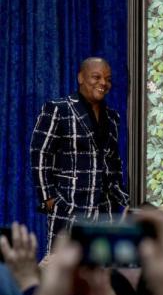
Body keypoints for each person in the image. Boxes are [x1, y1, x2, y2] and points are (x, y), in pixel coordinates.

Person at [31, 57, 129, 251]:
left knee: (102, 273)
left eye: (108, 79)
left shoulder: (113, 117)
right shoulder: (58, 108)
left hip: (104, 211)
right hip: (68, 207)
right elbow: (40, 153)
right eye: (96, 77)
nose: (103, 83)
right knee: (63, 271)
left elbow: (113, 161)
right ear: (81, 78)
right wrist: (49, 198)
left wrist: (120, 196)